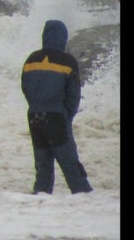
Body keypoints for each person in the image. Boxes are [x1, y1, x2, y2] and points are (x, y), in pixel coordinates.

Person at [20, 20, 93, 194]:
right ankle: (83, 195)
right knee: (69, 162)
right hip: (57, 116)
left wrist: (36, 105)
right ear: (63, 38)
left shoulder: (31, 59)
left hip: (35, 115)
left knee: (42, 163)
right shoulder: (67, 61)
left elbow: (25, 87)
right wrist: (67, 115)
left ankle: (41, 197)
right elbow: (73, 95)